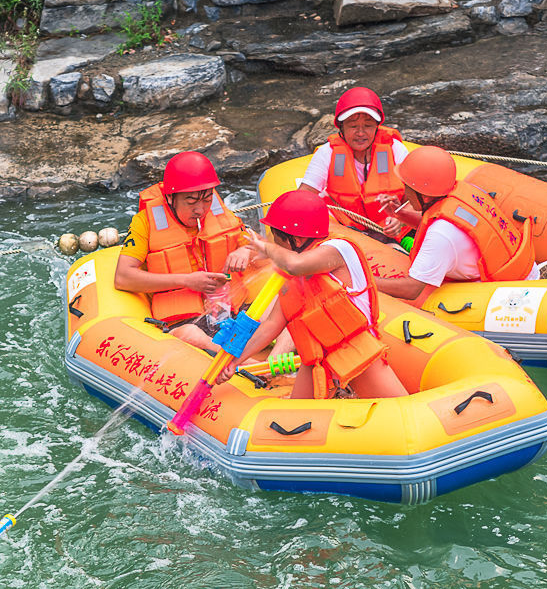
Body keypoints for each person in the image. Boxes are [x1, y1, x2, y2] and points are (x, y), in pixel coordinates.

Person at [215, 190, 409, 401]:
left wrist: (265, 248)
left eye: (276, 237)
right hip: (318, 357)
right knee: (294, 419)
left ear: (295, 239)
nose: (274, 242)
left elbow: (296, 264)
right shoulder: (291, 275)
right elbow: (271, 325)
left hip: (357, 352)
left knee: (401, 415)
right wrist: (236, 360)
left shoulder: (336, 250)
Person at [376, 145, 547, 305]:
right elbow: (456, 230)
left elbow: (412, 289)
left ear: (424, 194)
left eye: (407, 186)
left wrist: (364, 281)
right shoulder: (466, 192)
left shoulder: (440, 235)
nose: (404, 191)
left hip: (508, 292)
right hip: (521, 268)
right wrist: (400, 214)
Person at [113, 151, 257, 351]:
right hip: (186, 321)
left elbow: (259, 248)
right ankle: (242, 362)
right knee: (190, 335)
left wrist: (245, 251)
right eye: (191, 202)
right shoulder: (144, 222)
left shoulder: (218, 211)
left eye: (206, 199)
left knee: (281, 299)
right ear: (170, 198)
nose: (200, 209)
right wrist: (187, 280)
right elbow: (123, 277)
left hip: (229, 308)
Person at [299, 86, 416, 241]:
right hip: (347, 230)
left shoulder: (395, 149)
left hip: (391, 228)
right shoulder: (328, 153)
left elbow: (418, 195)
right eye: (353, 126)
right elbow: (304, 195)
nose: (360, 133)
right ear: (342, 128)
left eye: (367, 126)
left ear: (376, 126)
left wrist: (401, 219)